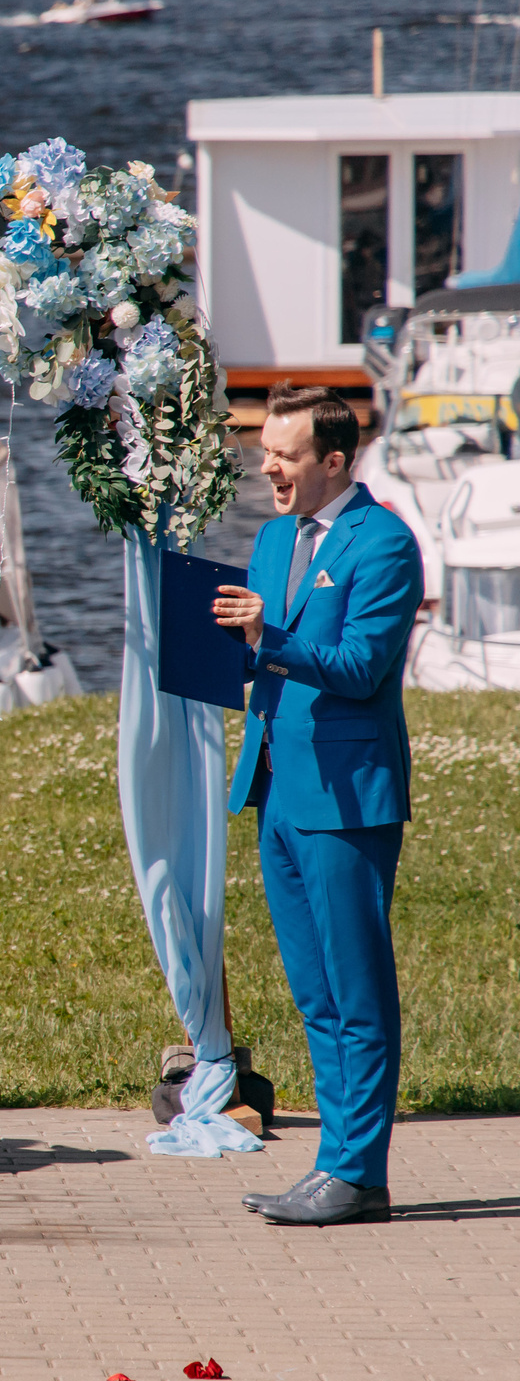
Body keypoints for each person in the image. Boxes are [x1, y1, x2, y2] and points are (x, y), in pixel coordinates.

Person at [215, 384, 424, 1227]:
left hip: (345, 799)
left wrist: (271, 637)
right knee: (315, 992)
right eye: (265, 449)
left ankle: (357, 1170)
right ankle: (338, 1163)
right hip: (274, 788)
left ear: (333, 460)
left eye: (286, 454)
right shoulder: (271, 538)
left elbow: (359, 666)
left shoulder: (385, 545)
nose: (268, 465)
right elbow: (259, 653)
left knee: (356, 986)